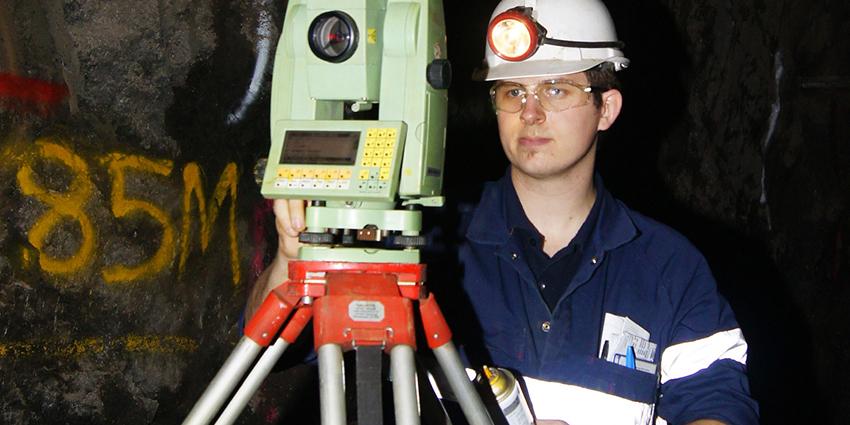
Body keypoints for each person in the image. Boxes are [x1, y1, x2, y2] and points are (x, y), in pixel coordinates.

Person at [247, 0, 759, 423]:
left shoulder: (671, 266)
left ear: (607, 109)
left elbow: (720, 407)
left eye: (556, 89)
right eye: (514, 91)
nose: (530, 112)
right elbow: (274, 349)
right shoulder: (425, 244)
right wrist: (292, 258)